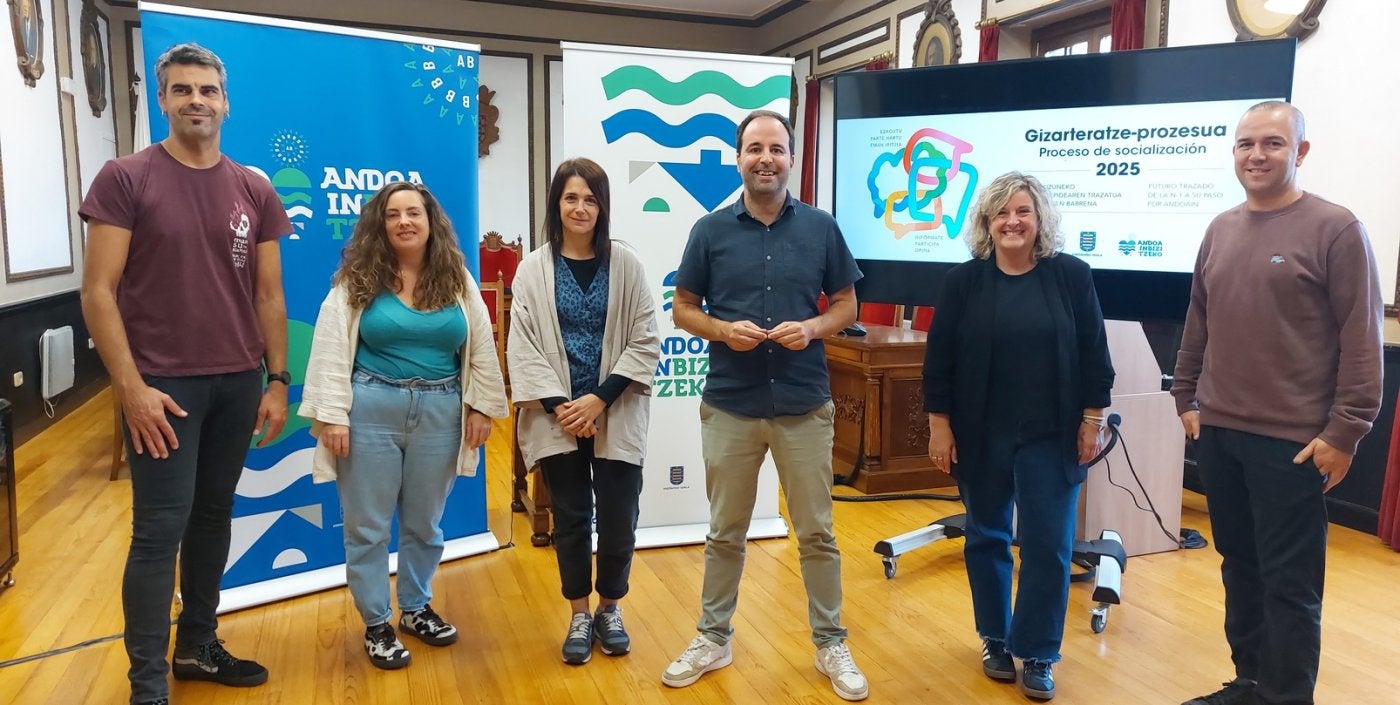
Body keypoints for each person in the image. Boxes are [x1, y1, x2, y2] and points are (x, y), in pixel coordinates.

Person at [79, 43, 291, 705]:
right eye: (182, 90)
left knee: (211, 521)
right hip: (162, 389)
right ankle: (148, 685)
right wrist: (131, 388)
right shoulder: (125, 178)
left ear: (226, 103)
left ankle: (197, 643)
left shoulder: (253, 187)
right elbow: (98, 292)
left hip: (237, 382)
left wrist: (278, 379)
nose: (196, 100)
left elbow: (268, 296)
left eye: (207, 90)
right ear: (164, 101)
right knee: (157, 531)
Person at [1173, 102, 1383, 705]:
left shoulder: (1336, 229)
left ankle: (1286, 696)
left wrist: (1347, 430)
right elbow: (1199, 320)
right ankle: (1250, 683)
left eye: (1271, 143)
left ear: (1301, 152)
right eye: (1245, 144)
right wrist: (1186, 395)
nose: (1256, 155)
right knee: (1239, 567)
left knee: (1290, 585)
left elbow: (1361, 338)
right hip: (1219, 433)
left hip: (1295, 444)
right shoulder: (1219, 228)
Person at [662, 110, 869, 701]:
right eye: (755, 148)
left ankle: (830, 643)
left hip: (804, 404)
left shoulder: (822, 228)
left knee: (817, 534)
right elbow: (682, 307)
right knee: (725, 531)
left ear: (791, 158)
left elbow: (848, 306)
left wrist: (814, 327)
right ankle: (713, 636)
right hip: (731, 405)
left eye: (776, 149)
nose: (766, 159)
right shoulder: (709, 231)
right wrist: (722, 331)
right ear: (738, 156)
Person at [921, 171, 1114, 701]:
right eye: (1002, 212)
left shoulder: (1070, 276)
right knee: (986, 537)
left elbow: (1096, 356)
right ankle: (995, 639)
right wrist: (940, 426)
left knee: (1049, 545)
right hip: (980, 434)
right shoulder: (963, 283)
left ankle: (1040, 652)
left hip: (1053, 436)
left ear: (1039, 220)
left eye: (1023, 211)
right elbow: (939, 363)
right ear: (986, 222)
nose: (1013, 221)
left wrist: (1092, 419)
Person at [299, 181, 508, 670]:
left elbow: (479, 342)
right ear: (381, 224)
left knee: (424, 523)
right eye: (393, 215)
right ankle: (376, 622)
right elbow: (331, 346)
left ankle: (415, 609)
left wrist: (480, 407)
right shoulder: (358, 278)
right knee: (367, 527)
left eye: (413, 212)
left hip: (441, 411)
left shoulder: (456, 278)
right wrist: (331, 414)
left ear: (431, 221)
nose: (404, 222)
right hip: (371, 409)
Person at [507, 158, 660, 665]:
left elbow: (645, 338)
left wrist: (600, 398)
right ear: (556, 204)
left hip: (615, 408)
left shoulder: (627, 265)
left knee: (620, 516)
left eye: (590, 199)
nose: (580, 208)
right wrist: (563, 407)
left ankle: (610, 607)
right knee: (571, 517)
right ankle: (578, 612)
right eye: (571, 198)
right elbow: (523, 346)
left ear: (603, 206)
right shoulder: (532, 269)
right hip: (557, 415)